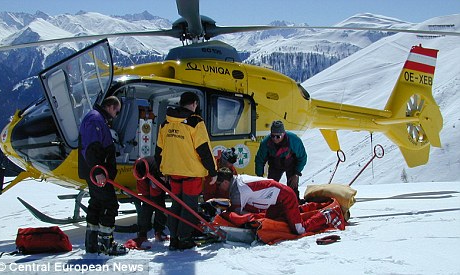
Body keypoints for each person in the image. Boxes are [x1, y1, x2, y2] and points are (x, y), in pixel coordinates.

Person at [155, 91, 217, 250]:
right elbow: (204, 149)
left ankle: (174, 239)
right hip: (191, 173)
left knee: (176, 206)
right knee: (189, 207)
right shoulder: (195, 123)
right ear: (194, 104)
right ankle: (184, 239)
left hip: (173, 173)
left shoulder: (165, 123)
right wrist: (213, 171)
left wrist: (160, 171)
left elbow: (159, 150)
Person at [214, 167, 345, 235]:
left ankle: (327, 215)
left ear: (226, 181)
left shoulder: (238, 189)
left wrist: (221, 214)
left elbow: (237, 215)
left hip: (285, 198)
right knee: (280, 221)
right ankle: (318, 207)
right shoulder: (237, 181)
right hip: (278, 199)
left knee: (300, 230)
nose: (219, 187)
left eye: (219, 184)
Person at [78, 96, 127, 255]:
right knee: (110, 204)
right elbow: (92, 147)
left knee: (97, 203)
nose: (116, 115)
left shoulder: (97, 119)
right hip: (98, 173)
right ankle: (106, 243)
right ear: (110, 107)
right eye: (117, 111)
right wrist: (99, 171)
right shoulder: (95, 120)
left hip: (95, 172)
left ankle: (92, 243)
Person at [255, 120, 307, 199]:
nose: (275, 139)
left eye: (278, 136)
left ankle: (295, 204)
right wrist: (260, 176)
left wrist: (297, 173)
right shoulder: (266, 143)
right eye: (272, 136)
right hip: (275, 166)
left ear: (283, 134)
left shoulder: (294, 140)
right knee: (271, 187)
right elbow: (259, 160)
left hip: (291, 165)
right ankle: (271, 205)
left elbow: (302, 157)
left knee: (293, 188)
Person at [134, 157, 169, 246]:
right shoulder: (158, 172)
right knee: (155, 203)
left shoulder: (162, 167)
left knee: (151, 202)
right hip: (144, 173)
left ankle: (150, 231)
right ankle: (154, 232)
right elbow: (155, 195)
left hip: (143, 170)